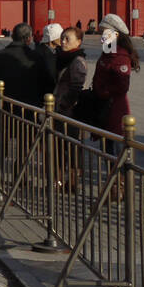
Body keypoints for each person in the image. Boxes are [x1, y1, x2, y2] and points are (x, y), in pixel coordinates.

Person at [0, 23, 54, 184]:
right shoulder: (37, 58)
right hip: (29, 108)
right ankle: (20, 176)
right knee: (25, 145)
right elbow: (48, 83)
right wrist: (40, 100)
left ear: (12, 36)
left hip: (6, 106)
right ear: (29, 39)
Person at [89, 13, 140, 158]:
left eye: (103, 33)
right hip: (104, 107)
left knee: (115, 150)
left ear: (115, 34)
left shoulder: (120, 57)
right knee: (107, 149)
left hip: (114, 108)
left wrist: (102, 92)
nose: (101, 37)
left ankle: (121, 180)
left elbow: (122, 86)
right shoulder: (108, 53)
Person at [55, 26, 87, 189]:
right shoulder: (63, 58)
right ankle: (59, 181)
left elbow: (76, 87)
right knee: (59, 147)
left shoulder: (77, 61)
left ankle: (72, 182)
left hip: (70, 112)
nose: (63, 41)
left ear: (79, 42)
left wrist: (64, 104)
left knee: (72, 149)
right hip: (59, 110)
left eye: (68, 38)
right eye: (62, 38)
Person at [34, 22, 62, 88]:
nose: (62, 39)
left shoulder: (60, 51)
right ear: (52, 38)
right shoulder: (38, 53)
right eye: (59, 36)